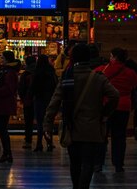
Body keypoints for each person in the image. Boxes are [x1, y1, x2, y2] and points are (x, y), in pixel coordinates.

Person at [44, 43, 120, 189]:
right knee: (88, 162)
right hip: (92, 127)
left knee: (75, 162)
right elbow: (114, 95)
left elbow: (54, 102)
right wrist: (105, 113)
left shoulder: (67, 77)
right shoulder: (98, 77)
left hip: (72, 127)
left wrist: (47, 124)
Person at [94, 48, 137, 173]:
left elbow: (94, 81)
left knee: (102, 135)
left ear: (114, 57)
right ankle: (118, 164)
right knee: (119, 136)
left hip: (106, 106)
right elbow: (136, 83)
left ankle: (98, 163)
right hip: (123, 106)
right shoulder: (130, 72)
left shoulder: (102, 70)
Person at [31, 55, 57, 152]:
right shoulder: (51, 71)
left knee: (40, 122)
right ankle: (49, 143)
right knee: (49, 121)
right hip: (49, 99)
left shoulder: (37, 72)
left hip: (39, 99)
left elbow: (33, 86)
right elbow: (55, 84)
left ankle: (39, 143)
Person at [18, 56, 36, 149]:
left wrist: (22, 98)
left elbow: (21, 88)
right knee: (42, 120)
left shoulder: (25, 74)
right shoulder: (40, 72)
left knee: (28, 121)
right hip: (39, 100)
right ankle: (47, 141)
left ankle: (28, 139)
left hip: (28, 101)